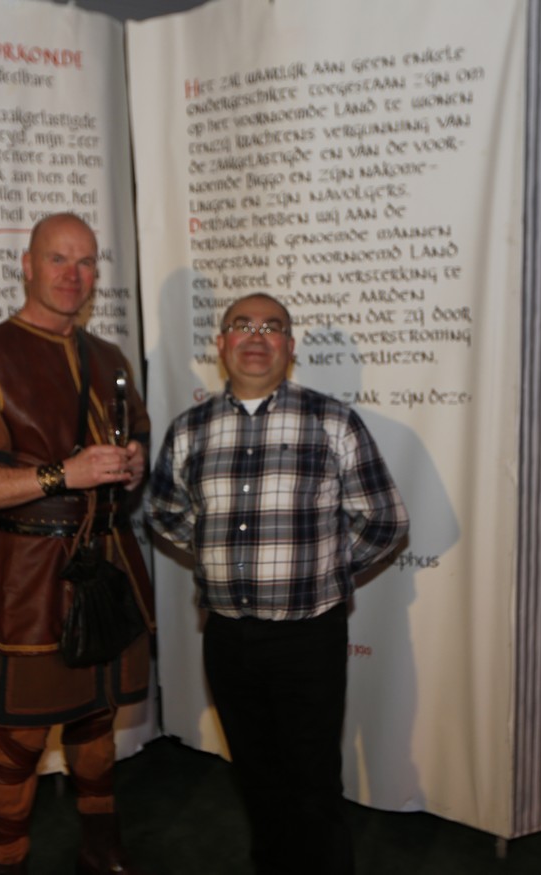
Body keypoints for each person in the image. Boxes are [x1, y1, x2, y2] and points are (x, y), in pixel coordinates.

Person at [147, 292, 408, 875]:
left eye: (272, 327)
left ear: (289, 347)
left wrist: (326, 569)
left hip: (306, 638)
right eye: (242, 325)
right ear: (222, 343)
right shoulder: (189, 429)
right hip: (226, 637)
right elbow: (163, 511)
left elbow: (386, 520)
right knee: (256, 776)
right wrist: (215, 552)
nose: (256, 336)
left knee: (312, 784)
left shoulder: (332, 421)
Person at [0, 213, 152, 875]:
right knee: (20, 736)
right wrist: (64, 474)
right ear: (28, 266)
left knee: (96, 718)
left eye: (85, 262)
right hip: (33, 574)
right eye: (58, 259)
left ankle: (99, 843)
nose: (73, 275)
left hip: (110, 561)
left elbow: (133, 448)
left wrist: (132, 465)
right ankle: (7, 863)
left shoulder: (109, 358)